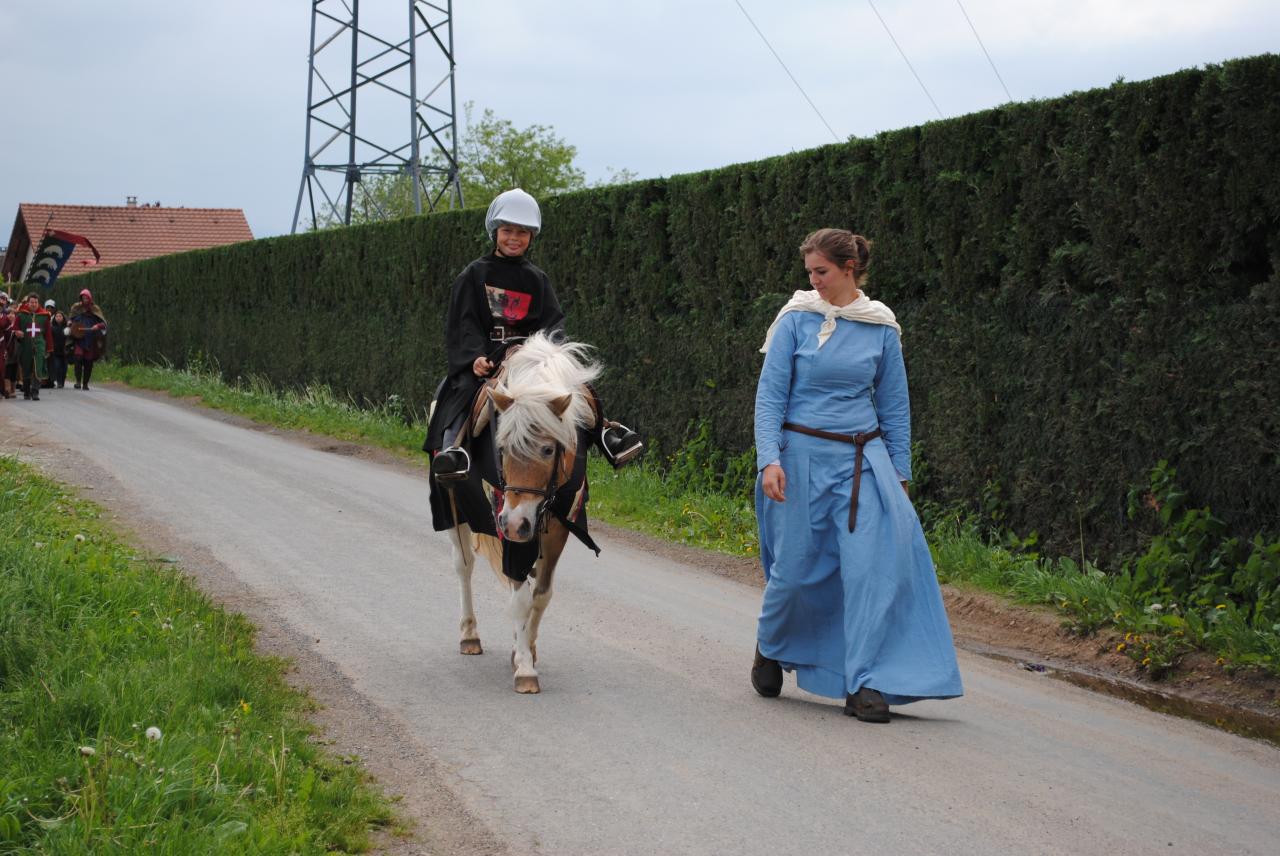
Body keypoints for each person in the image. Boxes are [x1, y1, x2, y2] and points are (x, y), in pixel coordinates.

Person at [751, 228, 962, 723]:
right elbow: (769, 397)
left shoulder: (881, 327)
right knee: (796, 574)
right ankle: (771, 644)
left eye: (821, 272)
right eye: (809, 273)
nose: (813, 282)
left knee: (871, 573)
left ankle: (863, 682)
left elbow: (894, 407)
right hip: (799, 459)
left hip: (864, 464)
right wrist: (769, 460)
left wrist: (900, 476)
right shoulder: (795, 321)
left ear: (850, 269)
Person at [423, 188, 642, 487]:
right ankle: (453, 449)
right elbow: (465, 322)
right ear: (495, 232)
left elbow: (553, 322)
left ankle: (606, 434)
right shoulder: (473, 275)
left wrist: (549, 353)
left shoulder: (538, 278)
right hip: (489, 356)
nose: (514, 237)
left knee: (578, 388)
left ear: (532, 236)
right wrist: (473, 357)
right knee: (463, 396)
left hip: (530, 357)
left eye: (522, 232)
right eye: (508, 230)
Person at [15, 293, 54, 400]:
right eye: (32, 302)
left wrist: (49, 348)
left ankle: (35, 391)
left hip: (39, 345)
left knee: (38, 368)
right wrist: (17, 332)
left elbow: (48, 334)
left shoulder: (44, 316)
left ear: (38, 303)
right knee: (26, 368)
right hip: (25, 345)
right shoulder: (21, 315)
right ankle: (27, 391)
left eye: (36, 302)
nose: (34, 304)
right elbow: (15, 328)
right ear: (28, 303)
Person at [69, 288, 107, 390]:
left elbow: (104, 324)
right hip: (79, 339)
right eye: (83, 297)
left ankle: (85, 383)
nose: (85, 299)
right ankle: (77, 381)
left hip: (91, 340)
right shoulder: (76, 308)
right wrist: (70, 324)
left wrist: (97, 326)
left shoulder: (95, 309)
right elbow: (71, 320)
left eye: (86, 297)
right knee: (78, 358)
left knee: (88, 362)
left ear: (90, 298)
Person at [48, 308, 70, 389]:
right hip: (55, 351)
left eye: (60, 316)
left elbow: (70, 339)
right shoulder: (52, 328)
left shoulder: (67, 328)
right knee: (57, 367)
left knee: (64, 367)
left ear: (63, 318)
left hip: (65, 351)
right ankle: (59, 381)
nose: (58, 317)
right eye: (56, 316)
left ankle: (62, 381)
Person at [0, 292, 16, 399]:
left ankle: (1, 390)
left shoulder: (4, 319)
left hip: (1, 347)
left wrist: (7, 348)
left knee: (1, 369)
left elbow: (9, 334)